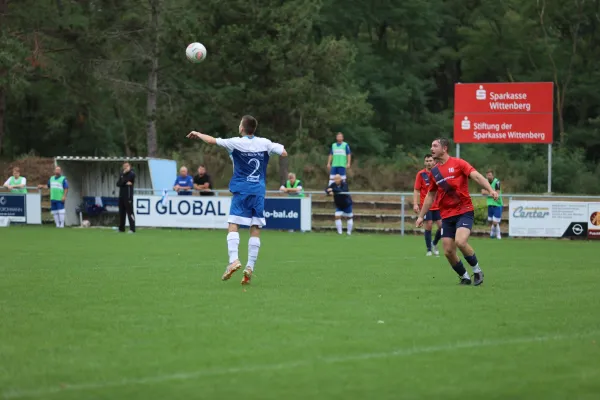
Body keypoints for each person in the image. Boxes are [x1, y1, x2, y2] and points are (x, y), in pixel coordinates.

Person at [186, 115, 288, 285]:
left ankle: (234, 260)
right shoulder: (265, 142)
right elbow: (283, 152)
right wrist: (268, 150)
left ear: (242, 128)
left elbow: (212, 141)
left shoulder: (235, 142)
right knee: (255, 227)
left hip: (242, 190)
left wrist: (197, 133)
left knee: (233, 224)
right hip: (258, 191)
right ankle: (250, 267)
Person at [416, 138, 498, 286]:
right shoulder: (434, 171)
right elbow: (430, 195)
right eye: (431, 146)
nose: (432, 149)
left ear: (444, 148)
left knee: (460, 241)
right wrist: (421, 216)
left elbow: (477, 176)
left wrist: (490, 190)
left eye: (435, 146)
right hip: (446, 215)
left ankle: (477, 270)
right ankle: (465, 276)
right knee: (448, 251)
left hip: (464, 210)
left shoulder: (459, 163)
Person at [414, 154, 442, 256]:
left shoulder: (438, 173)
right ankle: (429, 249)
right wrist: (415, 204)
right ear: (424, 162)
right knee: (429, 225)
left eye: (430, 160)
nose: (429, 163)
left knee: (441, 226)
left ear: (434, 162)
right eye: (427, 161)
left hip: (438, 205)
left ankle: (434, 243)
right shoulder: (421, 174)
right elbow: (416, 190)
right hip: (426, 205)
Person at [482, 169, 503, 240]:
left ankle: (497, 235)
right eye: (487, 175)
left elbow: (497, 193)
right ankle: (493, 235)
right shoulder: (485, 182)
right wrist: (492, 193)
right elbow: (482, 192)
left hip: (497, 204)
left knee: (495, 222)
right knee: (492, 221)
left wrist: (488, 192)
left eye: (490, 175)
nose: (488, 176)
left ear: (492, 175)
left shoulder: (497, 182)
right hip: (490, 204)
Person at [116, 162, 136, 233]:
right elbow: (118, 184)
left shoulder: (132, 174)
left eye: (127, 166)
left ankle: (132, 229)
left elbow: (124, 181)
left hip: (128, 196)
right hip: (121, 196)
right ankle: (121, 228)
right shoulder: (122, 174)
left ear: (129, 166)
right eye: (124, 167)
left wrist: (123, 180)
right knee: (121, 212)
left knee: (130, 212)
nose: (125, 168)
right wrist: (123, 180)